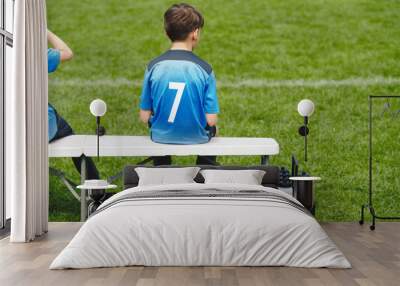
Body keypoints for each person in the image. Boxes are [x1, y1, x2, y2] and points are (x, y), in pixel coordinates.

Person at [139, 3, 219, 166]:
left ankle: (163, 170)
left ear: (166, 32)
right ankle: (204, 172)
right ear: (195, 33)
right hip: (197, 137)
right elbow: (211, 120)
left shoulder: (153, 66)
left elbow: (144, 116)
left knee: (157, 128)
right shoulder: (205, 69)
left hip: (161, 137)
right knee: (215, 130)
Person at [47, 30, 99, 179]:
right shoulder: (36, 54)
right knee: (75, 142)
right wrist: (46, 33)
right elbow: (67, 52)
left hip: (10, 129)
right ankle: (97, 191)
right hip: (43, 127)